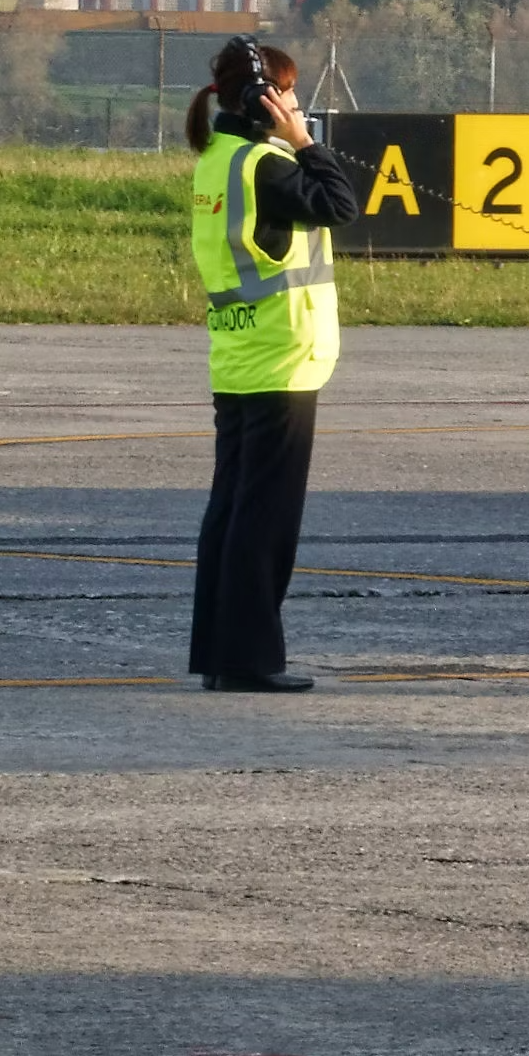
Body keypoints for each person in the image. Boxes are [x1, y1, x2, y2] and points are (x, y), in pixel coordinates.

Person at [186, 37, 346, 693]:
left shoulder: (218, 160)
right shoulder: (266, 167)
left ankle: (221, 654)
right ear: (264, 99)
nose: (297, 103)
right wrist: (305, 141)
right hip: (283, 360)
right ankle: (249, 659)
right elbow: (340, 204)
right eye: (289, 91)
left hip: (239, 357)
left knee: (231, 511)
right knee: (265, 520)